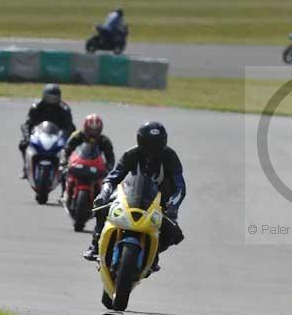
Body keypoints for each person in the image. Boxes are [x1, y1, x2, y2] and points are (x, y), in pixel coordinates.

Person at [83, 121, 186, 274]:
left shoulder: (170, 157)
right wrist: (104, 194)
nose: (152, 149)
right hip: (129, 196)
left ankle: (154, 254)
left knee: (173, 232)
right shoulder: (131, 154)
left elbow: (180, 186)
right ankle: (96, 243)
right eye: (148, 144)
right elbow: (112, 178)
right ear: (140, 141)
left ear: (164, 142)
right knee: (102, 208)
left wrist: (173, 207)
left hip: (159, 202)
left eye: (157, 144)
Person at [19, 84, 75, 178]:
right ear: (44, 95)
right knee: (23, 144)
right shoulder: (36, 107)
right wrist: (27, 136)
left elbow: (69, 126)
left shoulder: (64, 109)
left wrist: (66, 137)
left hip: (57, 137)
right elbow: (27, 124)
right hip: (39, 135)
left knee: (69, 150)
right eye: (50, 96)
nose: (52, 99)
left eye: (55, 97)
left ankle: (65, 176)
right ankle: (26, 167)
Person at [59, 114, 116, 194]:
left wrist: (108, 167)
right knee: (63, 172)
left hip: (95, 164)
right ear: (85, 127)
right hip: (78, 162)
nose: (93, 132)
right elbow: (67, 149)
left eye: (96, 130)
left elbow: (110, 157)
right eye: (91, 130)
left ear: (100, 129)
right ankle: (63, 193)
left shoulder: (104, 140)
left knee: (107, 181)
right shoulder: (77, 136)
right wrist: (63, 161)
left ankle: (100, 197)